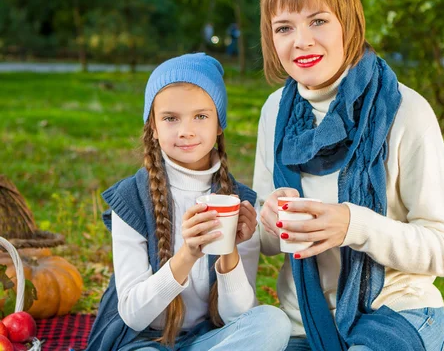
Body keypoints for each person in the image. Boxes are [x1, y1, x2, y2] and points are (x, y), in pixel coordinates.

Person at [253, 0, 444, 351]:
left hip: (396, 314)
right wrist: (266, 217)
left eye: (318, 21)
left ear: (348, 23)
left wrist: (355, 225)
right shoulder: (275, 112)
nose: (301, 41)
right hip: (307, 324)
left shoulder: (404, 110)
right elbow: (267, 240)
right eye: (284, 27)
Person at [87, 53, 291, 351]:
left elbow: (236, 316)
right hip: (142, 341)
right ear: (153, 128)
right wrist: (188, 254)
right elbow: (133, 314)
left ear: (219, 124)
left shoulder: (240, 201)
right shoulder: (131, 199)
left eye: (201, 116)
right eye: (170, 118)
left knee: (273, 323)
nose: (186, 130)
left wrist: (229, 249)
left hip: (206, 340)